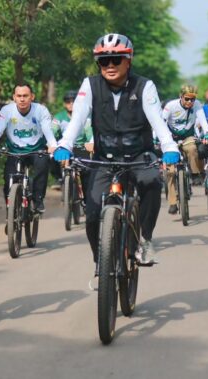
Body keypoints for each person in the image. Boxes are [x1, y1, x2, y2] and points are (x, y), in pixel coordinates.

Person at [53, 33, 180, 268]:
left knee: (152, 182)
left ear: (128, 60)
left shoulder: (144, 86)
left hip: (139, 155)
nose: (110, 65)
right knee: (91, 214)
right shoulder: (90, 85)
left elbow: (156, 119)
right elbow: (78, 117)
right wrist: (65, 144)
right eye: (104, 61)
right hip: (104, 158)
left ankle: (145, 240)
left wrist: (169, 146)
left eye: (116, 59)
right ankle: (101, 259)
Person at [0, 83, 57, 213]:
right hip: (15, 151)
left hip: (36, 150)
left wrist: (52, 145)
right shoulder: (6, 110)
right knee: (8, 181)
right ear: (14, 97)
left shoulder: (41, 110)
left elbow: (47, 130)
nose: (22, 99)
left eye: (25, 95)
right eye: (19, 96)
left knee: (42, 166)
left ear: (32, 97)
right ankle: (11, 215)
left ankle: (38, 200)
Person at [161, 84, 208, 214]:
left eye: (192, 99)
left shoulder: (197, 105)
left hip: (188, 136)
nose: (190, 102)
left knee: (193, 148)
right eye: (187, 99)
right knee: (170, 171)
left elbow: (203, 121)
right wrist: (157, 138)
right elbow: (160, 123)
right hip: (171, 138)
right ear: (181, 97)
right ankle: (172, 203)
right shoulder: (170, 106)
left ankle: (194, 174)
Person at [50, 90, 94, 189]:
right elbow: (52, 131)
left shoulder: (85, 117)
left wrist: (90, 143)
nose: (71, 104)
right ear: (64, 104)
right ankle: (59, 179)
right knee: (52, 158)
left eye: (73, 101)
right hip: (64, 148)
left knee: (87, 172)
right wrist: (51, 144)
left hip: (81, 148)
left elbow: (89, 133)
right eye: (68, 101)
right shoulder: (59, 117)